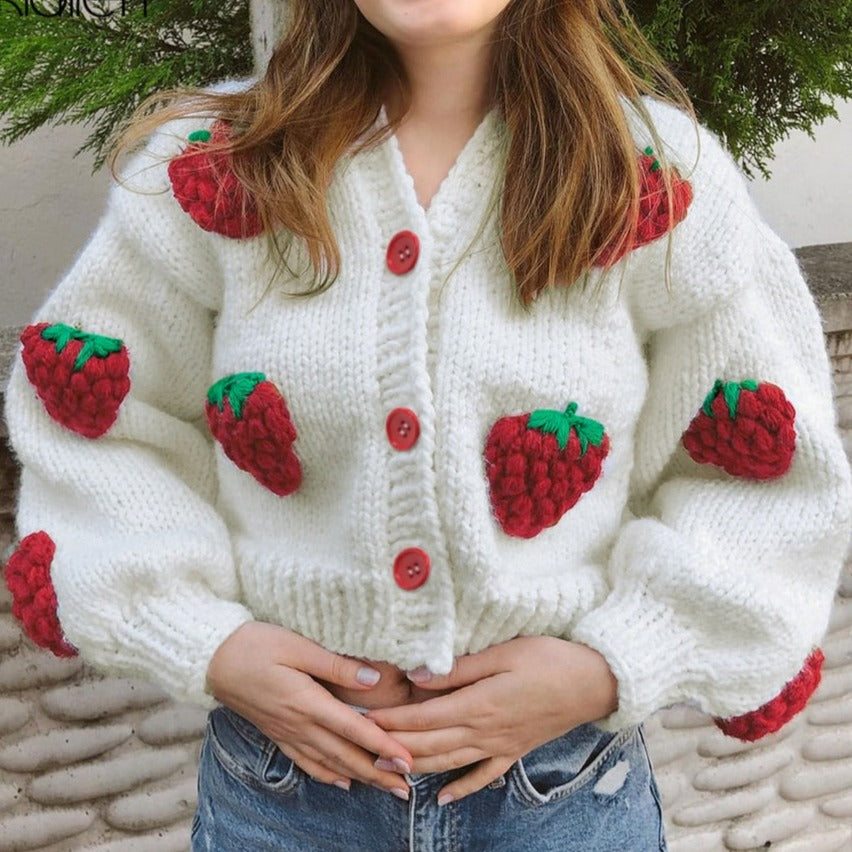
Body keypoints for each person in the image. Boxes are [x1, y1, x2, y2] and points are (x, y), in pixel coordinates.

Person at [4, 1, 851, 850]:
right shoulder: (221, 167)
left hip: (562, 797)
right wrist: (206, 641)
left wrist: (612, 663)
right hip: (282, 798)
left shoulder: (655, 175)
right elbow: (104, 420)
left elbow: (760, 464)